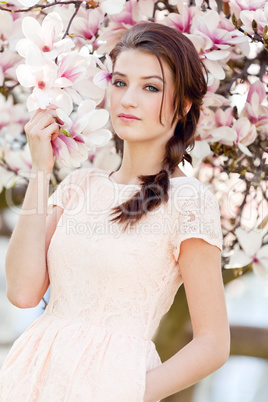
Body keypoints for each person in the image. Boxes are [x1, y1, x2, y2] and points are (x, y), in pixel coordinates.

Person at [0, 22, 230, 402]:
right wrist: (40, 171)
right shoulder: (79, 186)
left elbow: (213, 343)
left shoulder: (189, 201)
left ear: (184, 105)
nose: (128, 100)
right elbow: (23, 292)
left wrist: (127, 392)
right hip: (31, 377)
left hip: (113, 385)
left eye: (150, 87)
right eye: (120, 83)